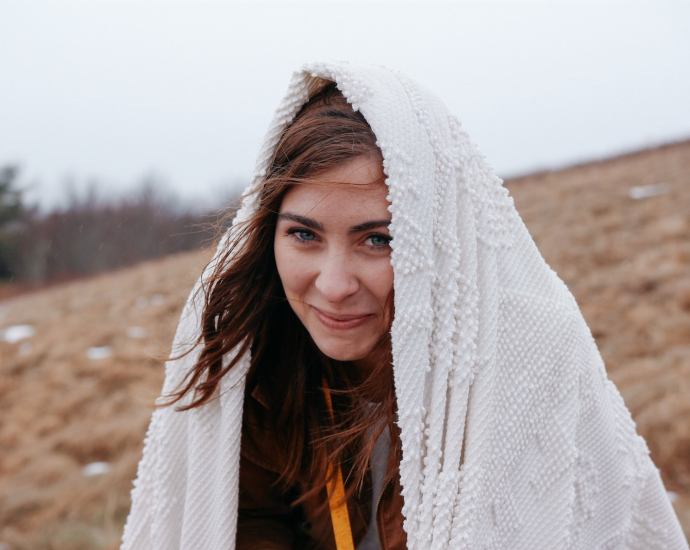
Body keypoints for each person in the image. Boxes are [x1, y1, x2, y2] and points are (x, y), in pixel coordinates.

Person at [121, 62, 688, 550]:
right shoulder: (260, 357)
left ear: (436, 239)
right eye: (304, 235)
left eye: (378, 240)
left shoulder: (526, 354)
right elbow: (248, 519)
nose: (335, 284)